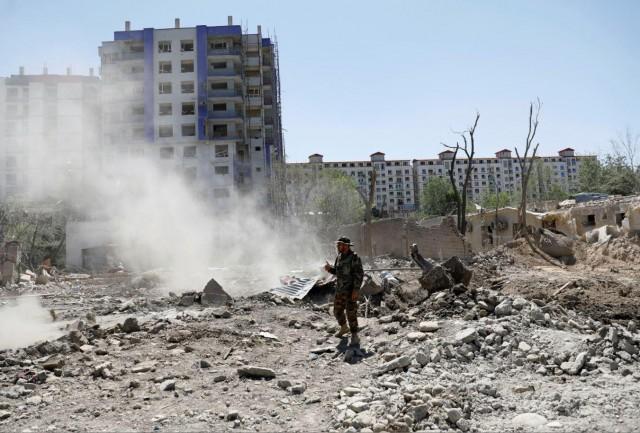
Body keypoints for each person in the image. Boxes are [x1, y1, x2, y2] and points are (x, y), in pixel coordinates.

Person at [324, 236, 364, 346]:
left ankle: (354, 335)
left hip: (350, 291)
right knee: (337, 311)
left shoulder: (354, 257)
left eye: (340, 244)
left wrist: (356, 290)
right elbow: (337, 272)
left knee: (351, 313)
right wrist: (330, 269)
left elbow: (359, 275)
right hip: (340, 290)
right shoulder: (339, 257)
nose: (338, 246)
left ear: (346, 246)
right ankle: (344, 327)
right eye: (337, 244)